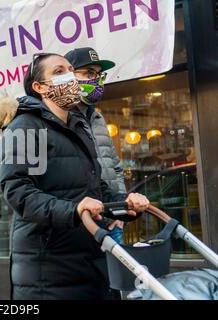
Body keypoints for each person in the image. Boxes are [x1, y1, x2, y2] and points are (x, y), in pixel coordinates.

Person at [0, 53, 149, 300]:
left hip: (90, 262)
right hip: (49, 270)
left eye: (71, 69)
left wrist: (125, 205)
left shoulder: (79, 127)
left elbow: (96, 188)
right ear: (39, 87)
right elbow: (18, 191)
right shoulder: (26, 125)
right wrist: (73, 211)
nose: (70, 76)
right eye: (59, 72)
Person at [65, 47, 126, 244]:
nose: (96, 79)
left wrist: (120, 210)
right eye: (89, 73)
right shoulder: (60, 119)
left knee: (118, 275)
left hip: (113, 219)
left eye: (99, 74)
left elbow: (115, 166)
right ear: (68, 77)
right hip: (85, 221)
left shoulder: (98, 117)